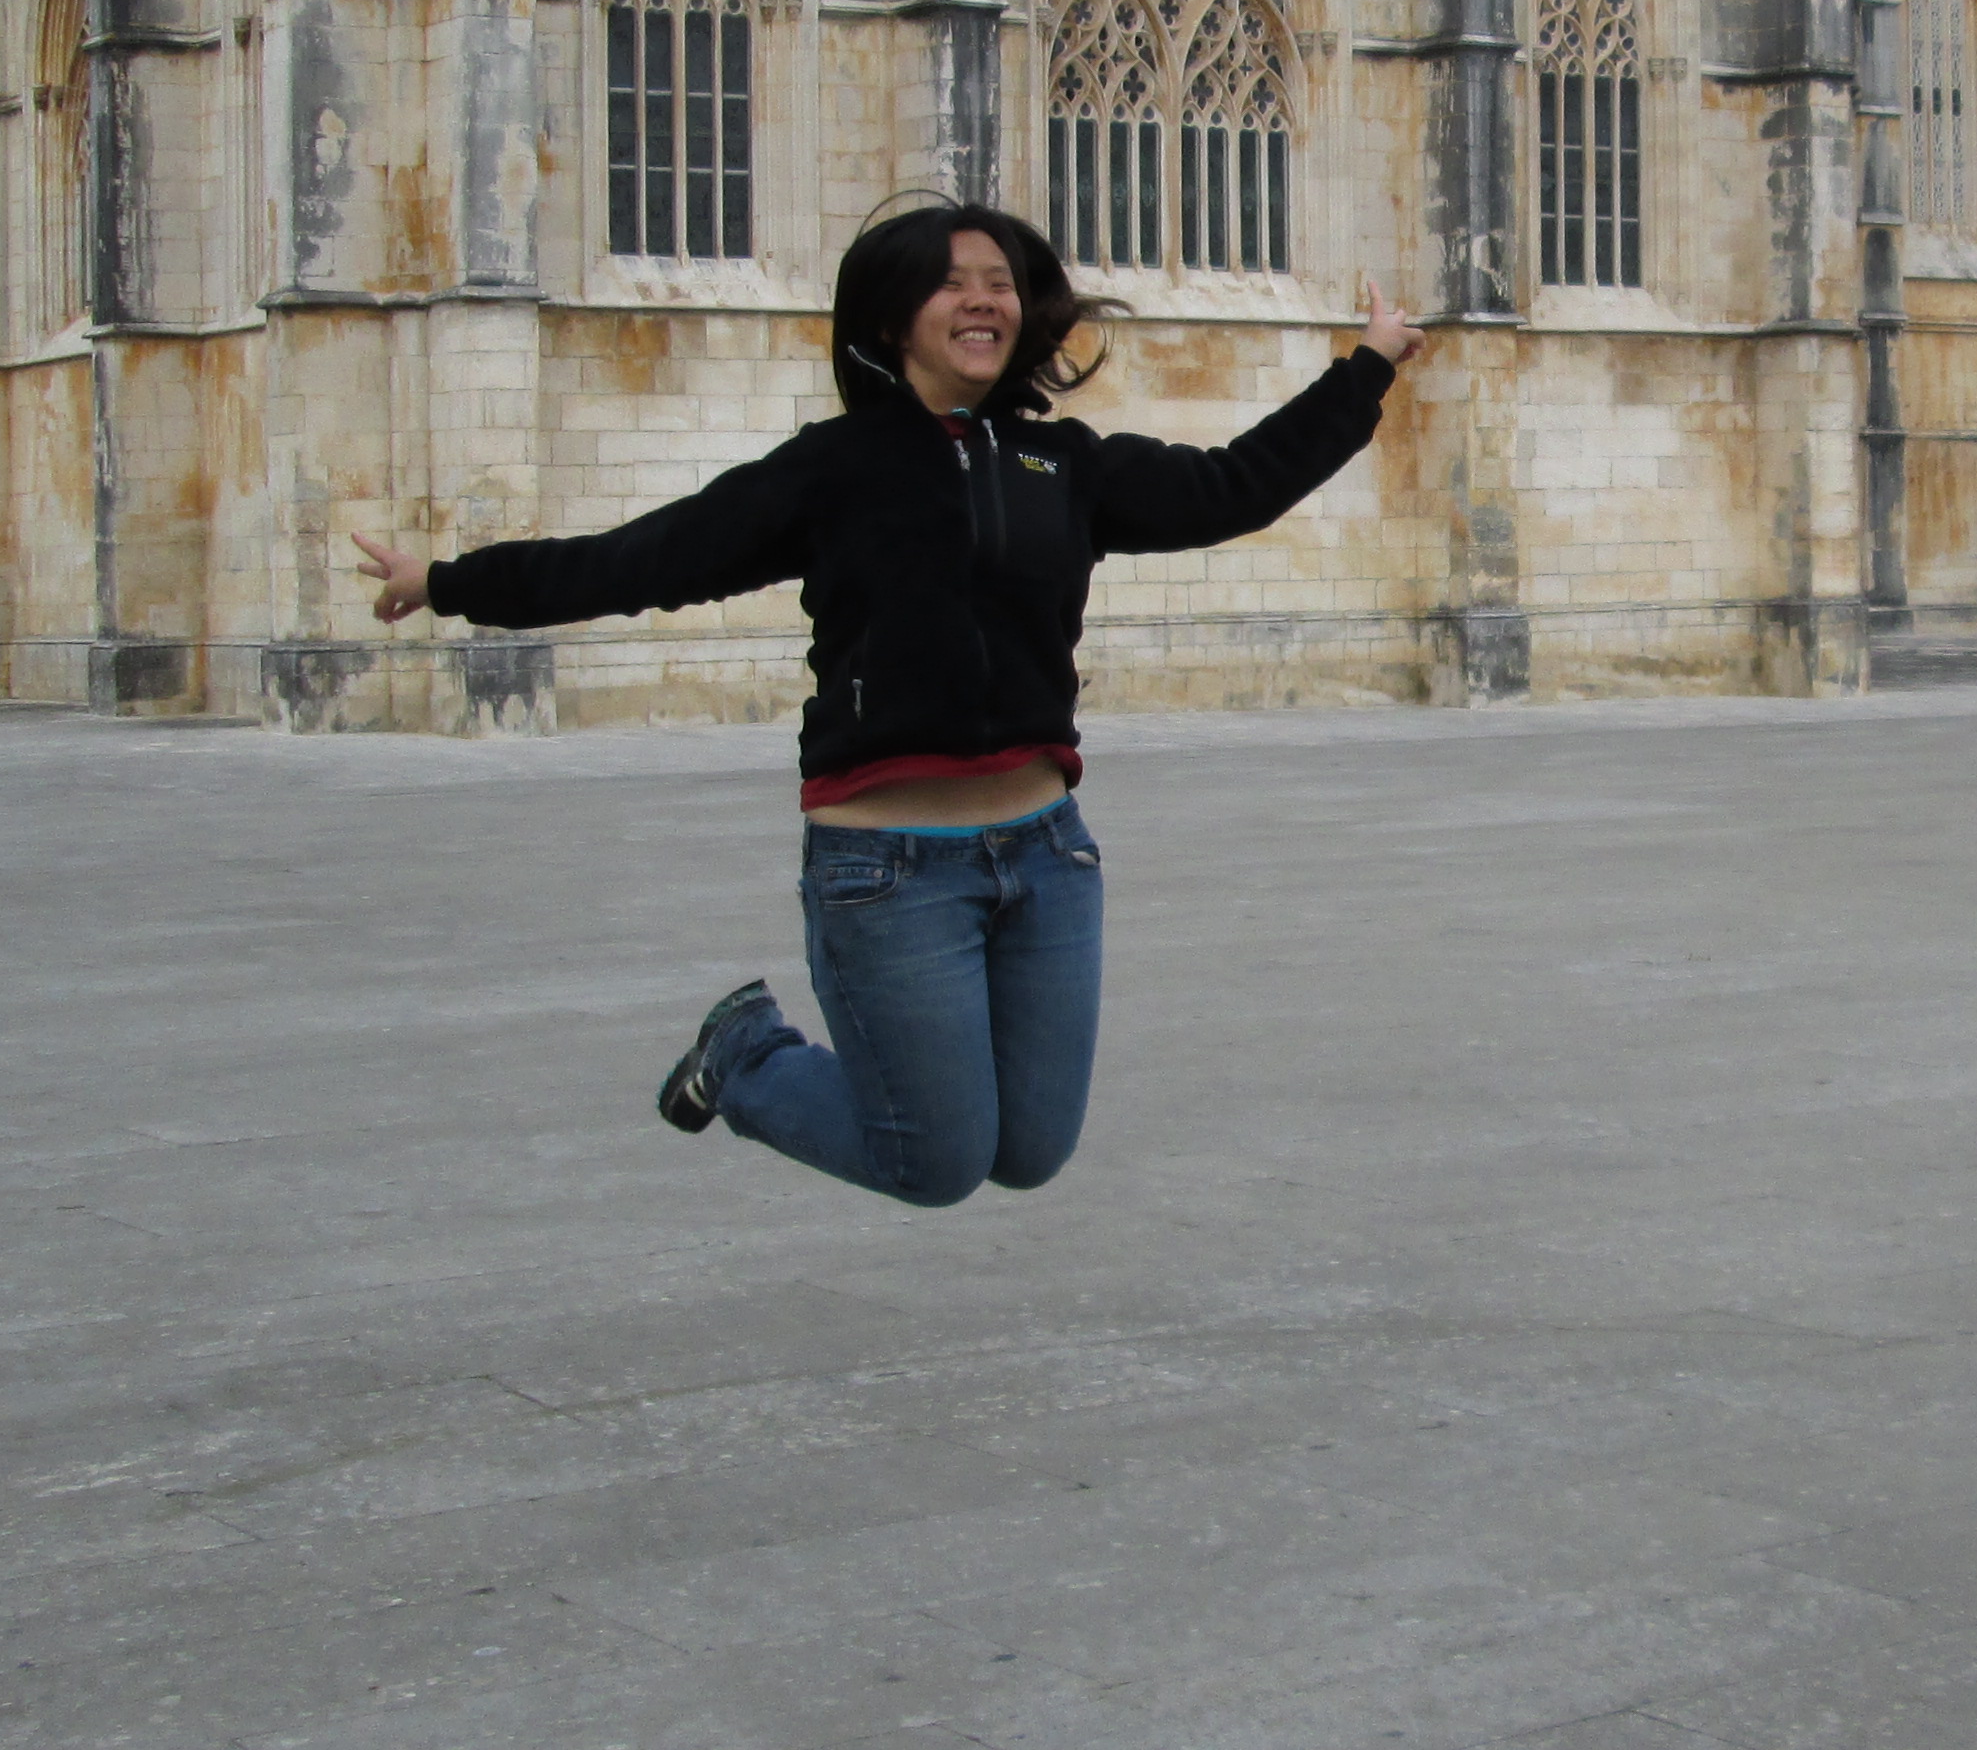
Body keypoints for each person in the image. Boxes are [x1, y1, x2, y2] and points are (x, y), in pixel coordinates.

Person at [349, 203, 1420, 1210]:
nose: (982, 299)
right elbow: (640, 560)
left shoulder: (1061, 462)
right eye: (951, 283)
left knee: (1030, 1153)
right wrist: (446, 581)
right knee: (933, 1163)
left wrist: (1367, 365)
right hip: (888, 870)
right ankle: (746, 1057)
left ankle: (781, 1058)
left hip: (1046, 857)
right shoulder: (835, 469)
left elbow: (1235, 485)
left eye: (1000, 281)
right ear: (893, 319)